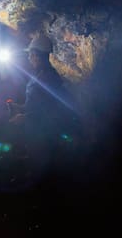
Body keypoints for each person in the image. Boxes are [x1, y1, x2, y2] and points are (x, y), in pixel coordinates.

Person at [8, 33, 76, 178]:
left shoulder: (49, 78)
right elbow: (36, 104)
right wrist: (20, 107)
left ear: (37, 56)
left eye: (31, 55)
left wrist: (24, 117)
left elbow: (51, 110)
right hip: (36, 133)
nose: (29, 58)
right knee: (36, 165)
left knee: (42, 170)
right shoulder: (40, 75)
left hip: (44, 135)